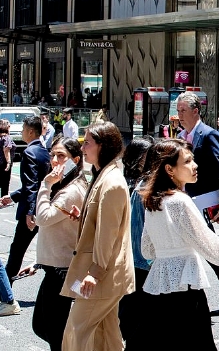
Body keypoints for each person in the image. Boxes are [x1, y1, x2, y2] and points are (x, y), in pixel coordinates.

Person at [140, 139, 219, 350]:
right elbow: (208, 243)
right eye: (188, 161)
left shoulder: (154, 200)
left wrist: (168, 249)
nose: (195, 165)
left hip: (160, 284)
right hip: (185, 284)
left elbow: (147, 248)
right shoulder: (180, 201)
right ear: (170, 169)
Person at [60, 121, 135, 351]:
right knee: (107, 336)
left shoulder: (111, 183)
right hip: (107, 275)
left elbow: (108, 234)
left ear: (102, 146)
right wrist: (82, 216)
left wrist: (94, 272)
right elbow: (101, 223)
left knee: (76, 331)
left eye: (88, 143)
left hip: (103, 276)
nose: (83, 148)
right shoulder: (103, 174)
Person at [15, 137, 88, 350]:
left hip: (62, 270)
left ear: (75, 160)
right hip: (53, 266)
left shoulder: (71, 190)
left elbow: (43, 218)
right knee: (43, 327)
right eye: (53, 155)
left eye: (61, 156)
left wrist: (46, 184)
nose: (55, 161)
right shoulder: (65, 185)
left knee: (53, 330)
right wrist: (38, 263)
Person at [176, 92, 219, 316]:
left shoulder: (209, 135)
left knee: (210, 250)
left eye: (183, 110)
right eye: (178, 110)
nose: (179, 115)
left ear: (196, 111)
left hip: (203, 203)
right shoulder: (180, 136)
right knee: (202, 249)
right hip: (185, 202)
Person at [1, 117, 51, 281]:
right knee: (49, 249)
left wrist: (30, 212)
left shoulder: (29, 152)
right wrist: (13, 196)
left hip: (32, 210)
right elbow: (36, 183)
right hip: (44, 206)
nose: (21, 132)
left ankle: (5, 294)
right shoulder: (44, 151)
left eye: (23, 129)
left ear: (30, 131)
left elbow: (31, 186)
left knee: (17, 251)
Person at [117, 138, 155, 350]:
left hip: (132, 261)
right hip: (141, 262)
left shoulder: (137, 184)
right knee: (138, 324)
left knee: (133, 321)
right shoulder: (140, 187)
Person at [0, 119, 15, 196]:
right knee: (5, 182)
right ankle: (3, 198)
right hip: (4, 162)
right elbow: (6, 150)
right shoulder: (7, 137)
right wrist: (8, 162)